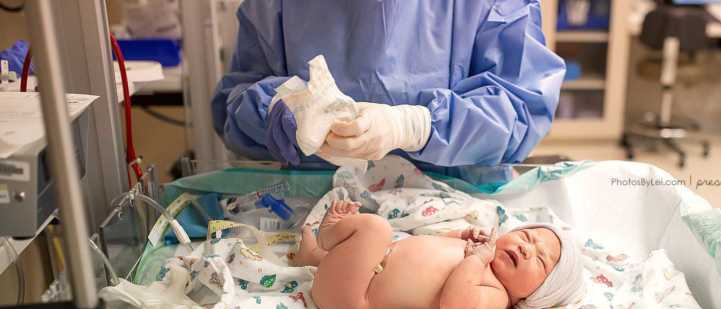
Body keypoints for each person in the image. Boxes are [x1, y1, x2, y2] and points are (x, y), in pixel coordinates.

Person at [211, 0, 565, 168]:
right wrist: (278, 111)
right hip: (308, 210)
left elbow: (521, 110)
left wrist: (414, 126)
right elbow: (234, 104)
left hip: (452, 212)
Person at [295, 200, 585, 309]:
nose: (525, 249)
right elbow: (430, 247)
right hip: (361, 271)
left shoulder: (496, 295)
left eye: (540, 260)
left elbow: (455, 307)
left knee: (376, 230)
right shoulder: (478, 252)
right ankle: (316, 259)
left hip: (352, 296)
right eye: (526, 236)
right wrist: (459, 236)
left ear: (537, 294)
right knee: (376, 243)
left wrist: (476, 259)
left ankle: (329, 236)